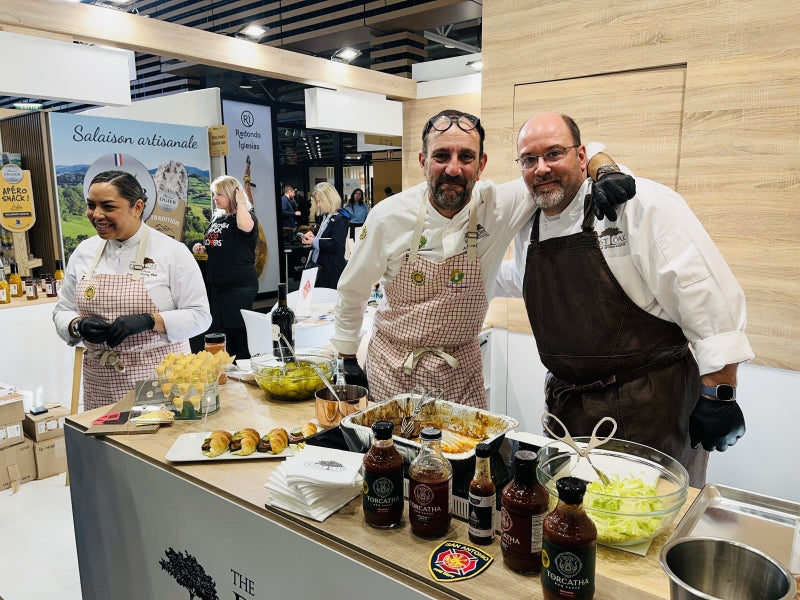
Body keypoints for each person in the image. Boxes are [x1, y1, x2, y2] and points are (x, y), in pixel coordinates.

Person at [498, 112, 753, 485]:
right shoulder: (528, 221)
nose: (542, 168)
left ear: (582, 156)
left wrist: (720, 396)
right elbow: (518, 277)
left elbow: (705, 294)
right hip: (571, 410)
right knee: (574, 524)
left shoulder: (638, 203)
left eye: (555, 153)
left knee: (642, 530)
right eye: (529, 159)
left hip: (650, 407)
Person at [331, 109, 635, 408]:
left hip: (460, 372)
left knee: (470, 457)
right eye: (441, 156)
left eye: (466, 157)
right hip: (393, 367)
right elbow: (353, 290)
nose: (453, 168)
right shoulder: (388, 216)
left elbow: (572, 156)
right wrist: (346, 355)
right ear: (423, 161)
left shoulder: (500, 205)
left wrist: (605, 170)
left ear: (481, 165)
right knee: (395, 456)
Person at [53, 170, 211, 411]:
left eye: (107, 206)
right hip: (101, 381)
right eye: (91, 205)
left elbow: (200, 317)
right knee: (106, 445)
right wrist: (77, 325)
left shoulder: (171, 252)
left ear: (137, 207)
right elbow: (63, 309)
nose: (96, 215)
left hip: (161, 378)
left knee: (153, 445)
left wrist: (150, 321)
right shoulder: (84, 252)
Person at [192, 175, 259, 359]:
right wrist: (201, 247)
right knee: (223, 331)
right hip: (218, 285)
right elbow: (216, 244)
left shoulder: (244, 217)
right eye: (214, 194)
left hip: (239, 285)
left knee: (238, 331)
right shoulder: (219, 219)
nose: (215, 198)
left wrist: (241, 202)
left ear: (232, 194)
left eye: (219, 194)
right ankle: (230, 368)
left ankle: (246, 366)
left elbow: (244, 226)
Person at [301, 182, 352, 288]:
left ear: (329, 199)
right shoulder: (327, 217)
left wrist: (314, 241)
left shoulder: (340, 219)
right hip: (321, 269)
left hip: (330, 272)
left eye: (320, 201)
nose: (318, 205)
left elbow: (336, 245)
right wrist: (314, 238)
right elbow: (326, 239)